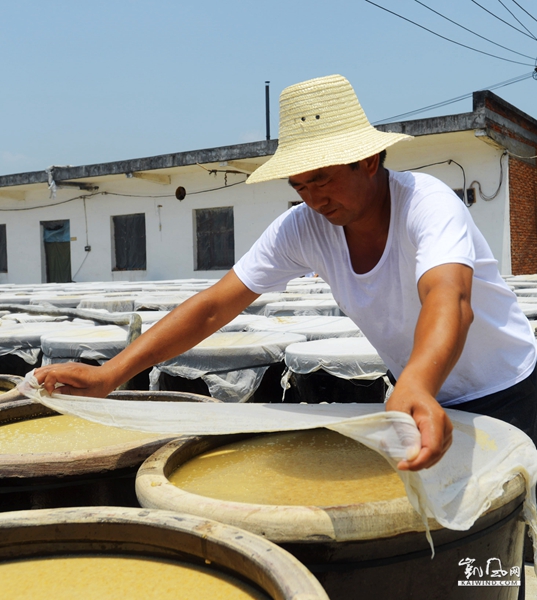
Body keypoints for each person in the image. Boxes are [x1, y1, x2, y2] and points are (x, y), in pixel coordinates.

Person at [35, 74, 537, 474]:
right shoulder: (305, 227)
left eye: (322, 177)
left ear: (367, 160)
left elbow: (448, 299)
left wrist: (417, 382)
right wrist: (111, 374)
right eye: (300, 183)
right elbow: (216, 305)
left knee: (503, 540)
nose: (313, 196)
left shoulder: (427, 204)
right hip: (421, 394)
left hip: (509, 391)